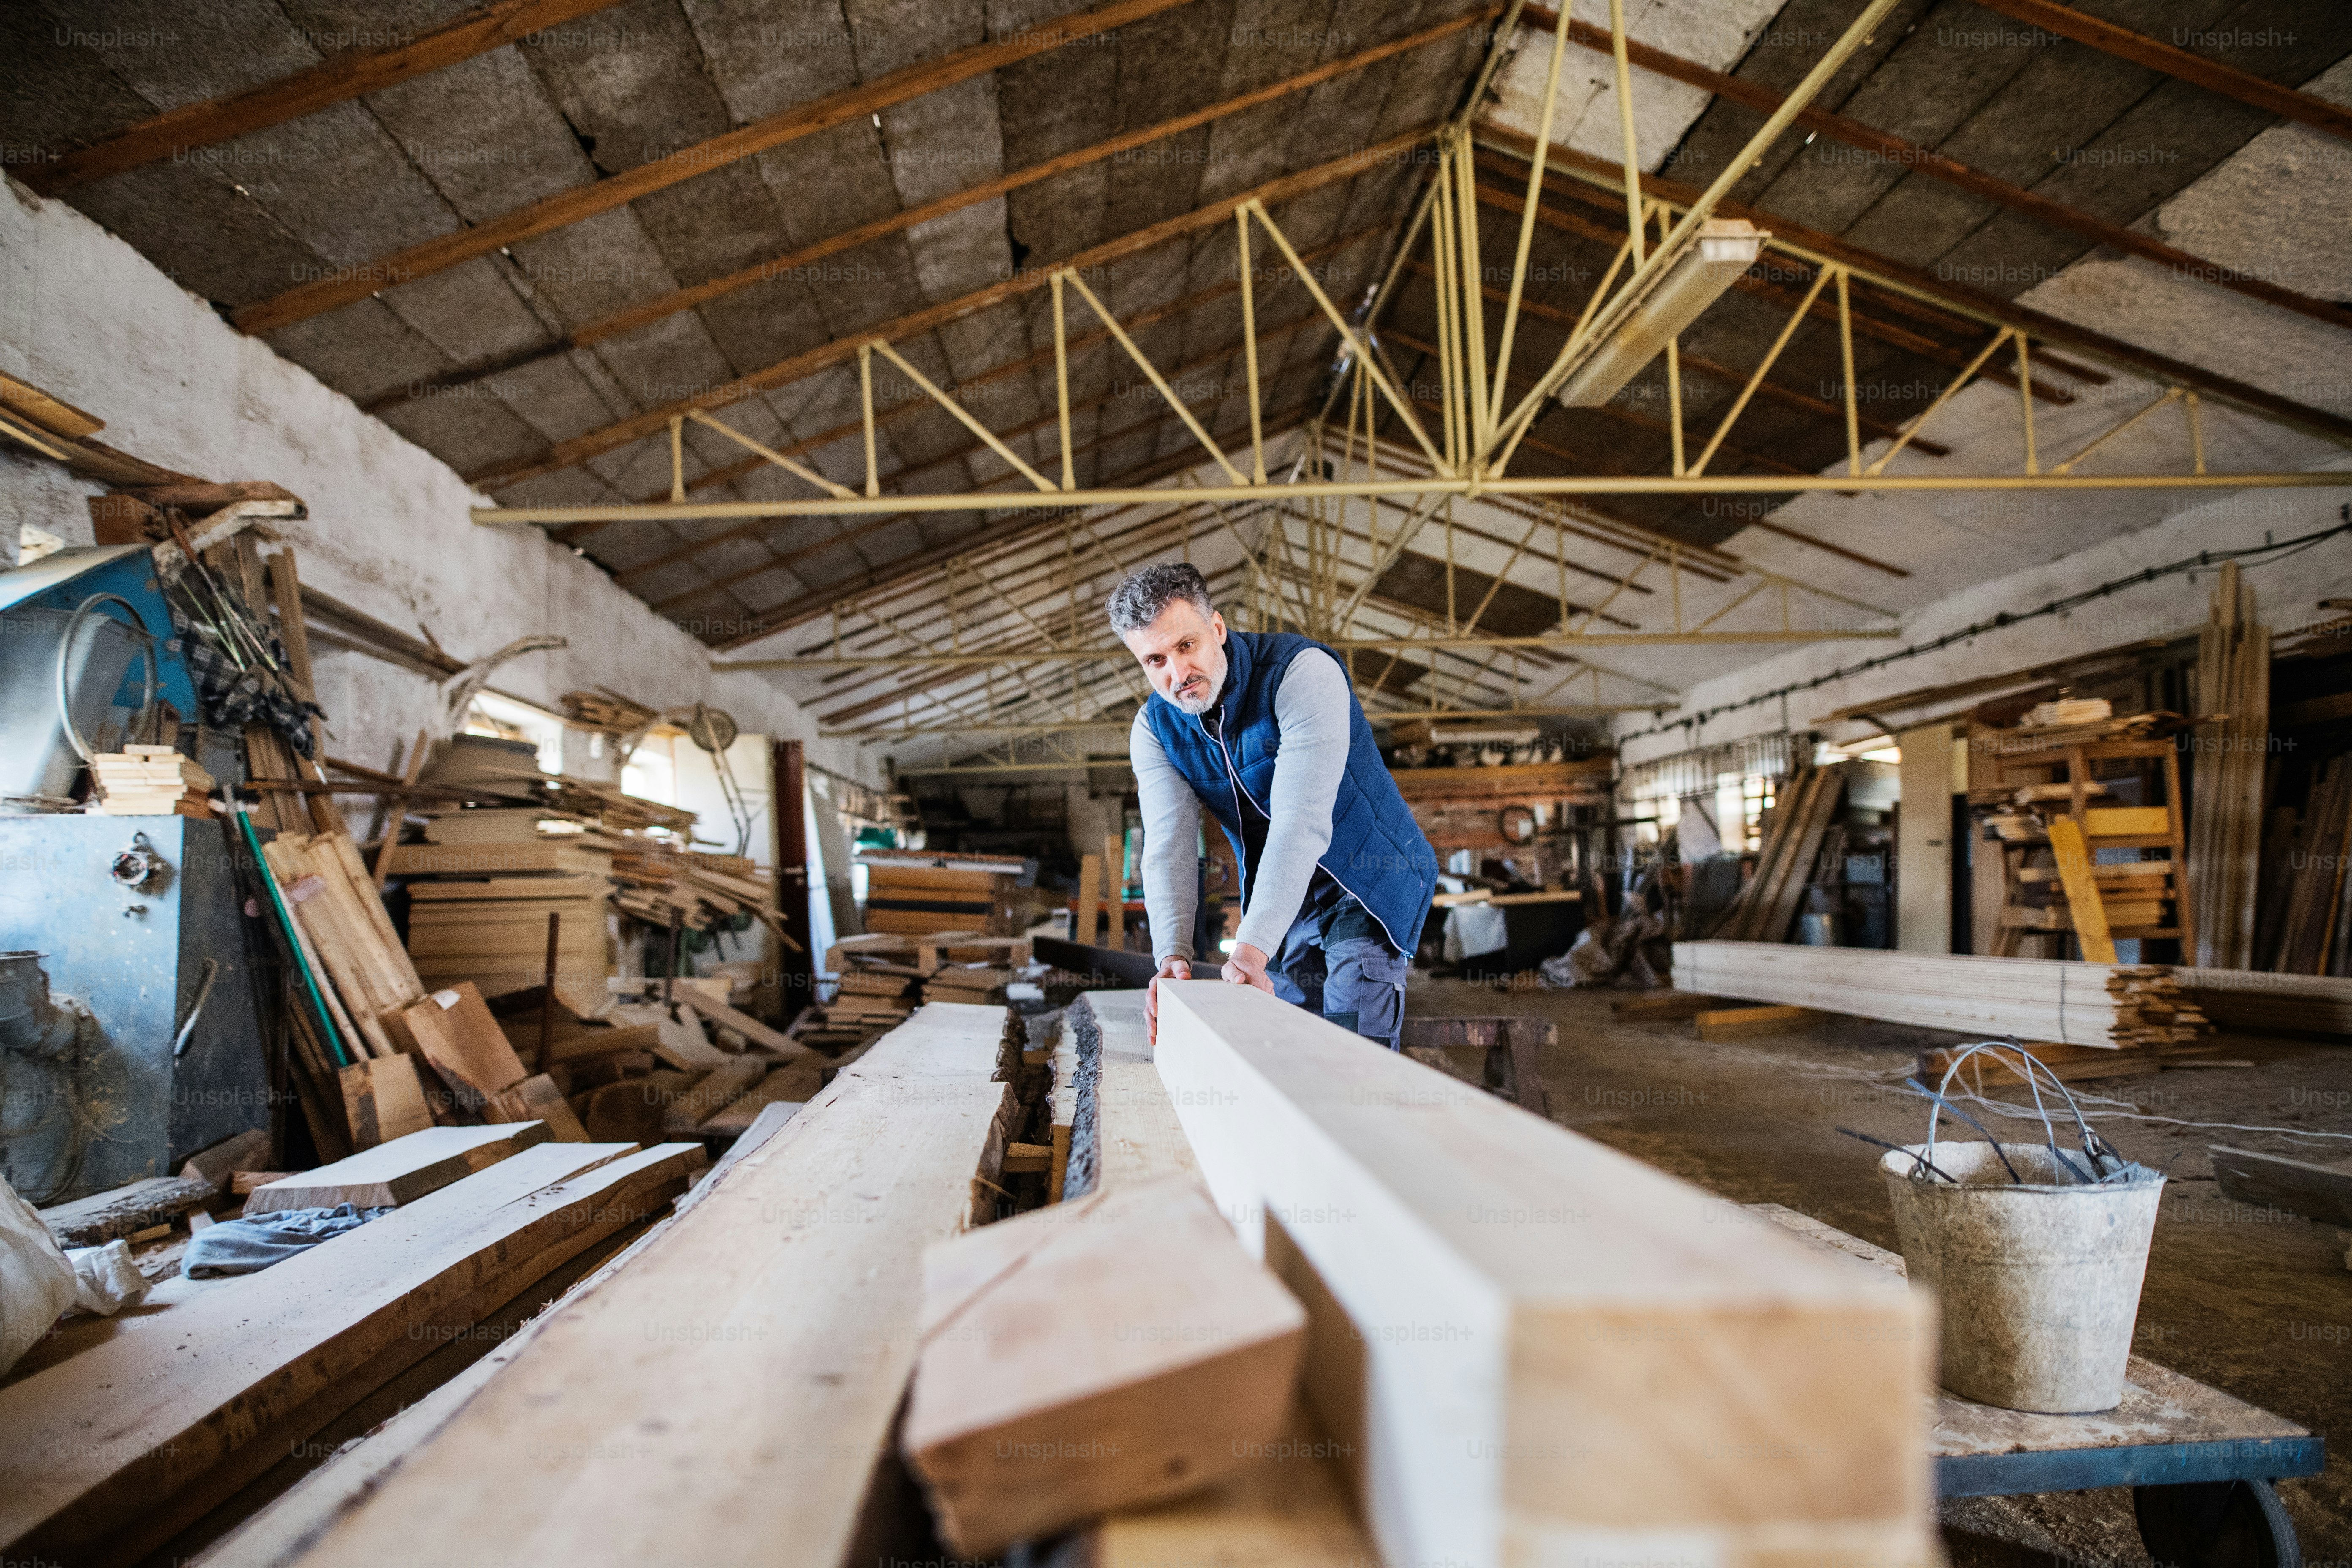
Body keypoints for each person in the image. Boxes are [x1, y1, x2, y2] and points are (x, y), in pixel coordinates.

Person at [1107, 562, 1438, 1047]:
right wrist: (1172, 957)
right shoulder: (1155, 729)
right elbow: (1169, 846)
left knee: (1351, 1043)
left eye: (1186, 645)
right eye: (1155, 660)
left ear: (1216, 628)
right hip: (1284, 891)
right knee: (1289, 1042)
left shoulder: (1302, 674)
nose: (1178, 674)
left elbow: (1299, 822)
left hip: (1366, 879)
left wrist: (1253, 946)